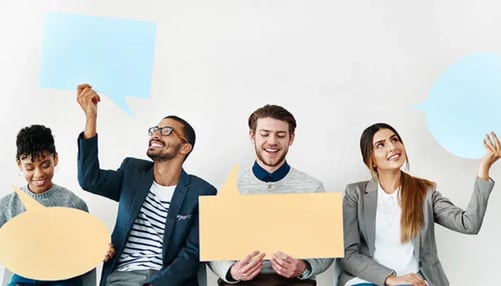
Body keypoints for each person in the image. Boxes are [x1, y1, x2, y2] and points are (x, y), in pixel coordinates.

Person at [76, 83, 217, 286]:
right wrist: (91, 118)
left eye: (167, 131)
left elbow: (192, 254)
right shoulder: (132, 172)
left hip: (168, 281)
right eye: (155, 130)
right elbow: (90, 180)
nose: (156, 134)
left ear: (185, 147)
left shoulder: (202, 192)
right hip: (123, 277)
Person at [339, 123, 501, 286]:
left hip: (413, 280)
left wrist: (484, 169)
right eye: (381, 145)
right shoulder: (356, 194)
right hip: (367, 280)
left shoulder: (424, 192)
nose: (392, 147)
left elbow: (469, 224)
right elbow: (349, 254)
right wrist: (390, 279)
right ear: (371, 159)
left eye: (395, 140)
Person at [209, 104, 333, 286]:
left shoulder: (313, 187)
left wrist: (305, 267)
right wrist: (231, 271)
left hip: (295, 282)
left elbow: (327, 247)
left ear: (291, 138)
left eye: (281, 135)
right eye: (265, 134)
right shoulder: (228, 188)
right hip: (240, 283)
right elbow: (214, 247)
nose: (273, 141)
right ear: (252, 136)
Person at [0, 124, 90, 286]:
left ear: (55, 159)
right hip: (24, 277)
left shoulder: (73, 204)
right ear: (19, 164)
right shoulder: (7, 205)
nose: (38, 174)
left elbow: (86, 247)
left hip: (63, 278)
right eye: (29, 167)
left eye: (45, 165)